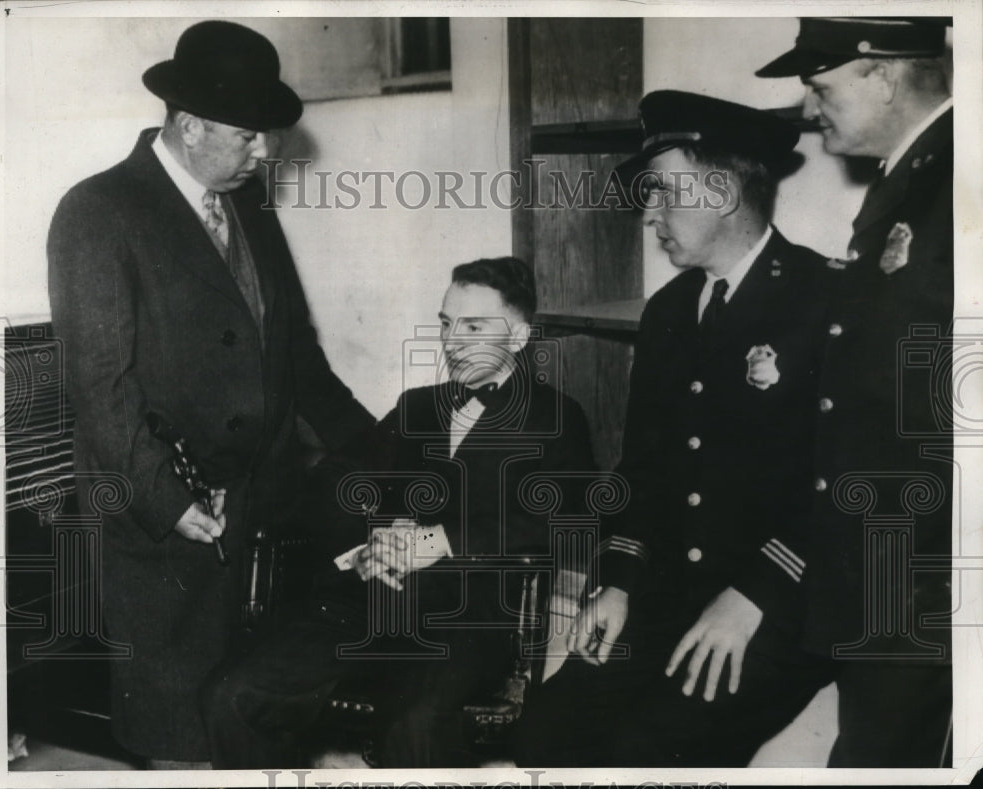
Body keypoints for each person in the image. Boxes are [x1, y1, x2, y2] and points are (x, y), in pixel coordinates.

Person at [47, 20, 375, 767]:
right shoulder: (99, 211)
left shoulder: (249, 205)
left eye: (268, 136)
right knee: (182, 746)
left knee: (251, 730)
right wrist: (171, 502)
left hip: (262, 519)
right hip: (165, 527)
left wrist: (387, 454)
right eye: (248, 136)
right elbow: (102, 389)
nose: (265, 153)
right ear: (189, 125)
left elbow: (297, 360)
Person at [515, 91, 837, 767]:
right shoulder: (669, 310)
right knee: (545, 727)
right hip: (667, 593)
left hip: (780, 602)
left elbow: (846, 481)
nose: (649, 214)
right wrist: (619, 581)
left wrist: (754, 597)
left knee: (651, 748)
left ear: (723, 192)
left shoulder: (825, 301)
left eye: (663, 191)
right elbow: (643, 469)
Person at [201, 256, 595, 768]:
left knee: (413, 727)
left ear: (518, 337)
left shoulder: (556, 417)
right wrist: (369, 540)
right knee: (232, 696)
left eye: (474, 328)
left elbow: (563, 521)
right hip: (364, 603)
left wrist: (437, 540)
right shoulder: (418, 407)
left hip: (465, 622)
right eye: (446, 324)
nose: (453, 342)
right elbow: (335, 481)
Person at [756, 16, 953, 767]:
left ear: (885, 75)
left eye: (821, 86)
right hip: (882, 566)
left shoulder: (957, 177)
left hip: (924, 570)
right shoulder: (911, 178)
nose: (810, 108)